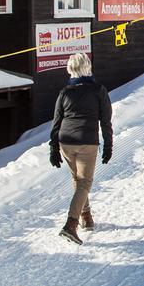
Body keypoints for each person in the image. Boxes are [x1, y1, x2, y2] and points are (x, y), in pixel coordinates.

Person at [49, 52, 113, 246]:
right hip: (87, 141)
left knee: (78, 180)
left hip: (66, 142)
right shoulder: (98, 90)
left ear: (71, 69)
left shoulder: (65, 92)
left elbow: (56, 121)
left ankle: (86, 217)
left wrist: (53, 147)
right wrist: (108, 144)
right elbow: (106, 120)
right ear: (88, 67)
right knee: (85, 183)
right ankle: (71, 224)